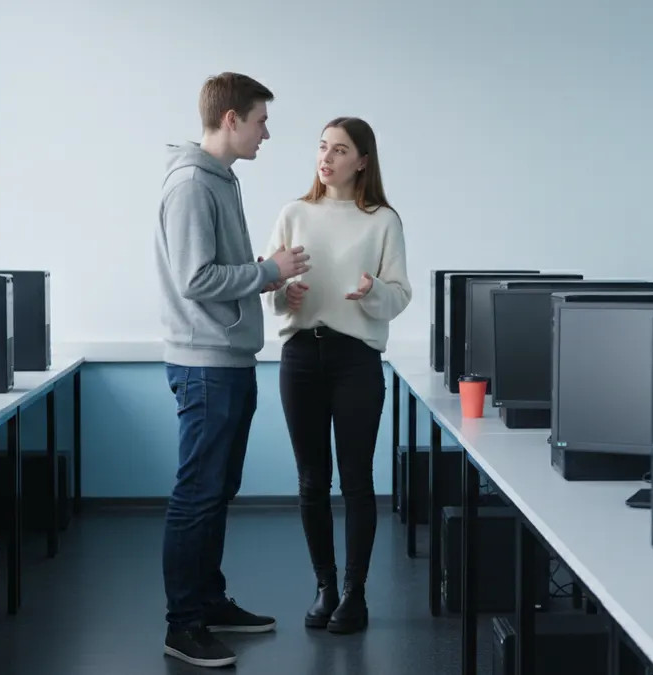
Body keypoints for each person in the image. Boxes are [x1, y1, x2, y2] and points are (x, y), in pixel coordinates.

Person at [155, 71, 311, 668]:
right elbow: (195, 280)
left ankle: (209, 602)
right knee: (197, 494)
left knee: (217, 489)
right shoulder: (194, 184)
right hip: (206, 365)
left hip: (226, 360)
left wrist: (267, 275)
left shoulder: (221, 179)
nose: (266, 133)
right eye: (260, 120)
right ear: (231, 120)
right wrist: (269, 271)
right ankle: (183, 624)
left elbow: (218, 268)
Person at [263, 116, 412, 634]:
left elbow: (399, 296)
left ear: (362, 161)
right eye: (322, 148)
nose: (326, 158)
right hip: (301, 355)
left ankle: (355, 593)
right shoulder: (294, 213)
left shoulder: (382, 221)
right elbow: (270, 290)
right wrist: (286, 294)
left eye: (340, 150)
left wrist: (372, 289)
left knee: (356, 480)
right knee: (311, 479)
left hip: (355, 359)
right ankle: (324, 587)